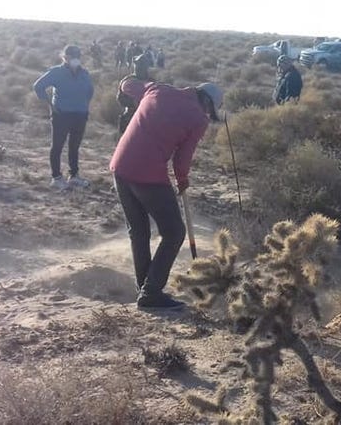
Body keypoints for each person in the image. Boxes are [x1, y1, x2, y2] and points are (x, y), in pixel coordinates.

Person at [109, 78, 224, 310]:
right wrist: (183, 182)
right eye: (210, 111)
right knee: (174, 232)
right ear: (208, 104)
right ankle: (150, 294)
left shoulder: (156, 89)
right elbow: (182, 160)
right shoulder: (197, 118)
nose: (208, 116)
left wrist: (127, 90)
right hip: (148, 174)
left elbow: (128, 84)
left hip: (120, 166)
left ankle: (145, 288)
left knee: (139, 231)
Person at [33, 45, 94, 190]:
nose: (75, 60)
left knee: (74, 146)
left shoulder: (84, 73)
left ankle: (74, 176)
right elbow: (38, 86)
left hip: (80, 114)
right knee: (57, 146)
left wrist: (84, 105)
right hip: (62, 115)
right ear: (65, 58)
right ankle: (56, 177)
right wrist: (50, 104)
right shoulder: (56, 72)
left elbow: (90, 90)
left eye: (77, 57)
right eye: (72, 57)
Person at [117, 54, 155, 135]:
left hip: (146, 118)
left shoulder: (151, 82)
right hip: (130, 116)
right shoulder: (128, 80)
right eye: (138, 65)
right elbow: (120, 98)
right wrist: (133, 103)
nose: (139, 68)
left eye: (142, 65)